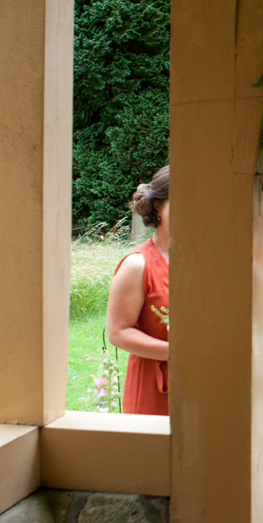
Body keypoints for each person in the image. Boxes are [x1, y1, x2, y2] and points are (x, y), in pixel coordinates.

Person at [107, 166, 170, 415]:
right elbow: (118, 332)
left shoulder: (204, 260)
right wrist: (180, 354)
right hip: (152, 385)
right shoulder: (137, 265)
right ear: (158, 207)